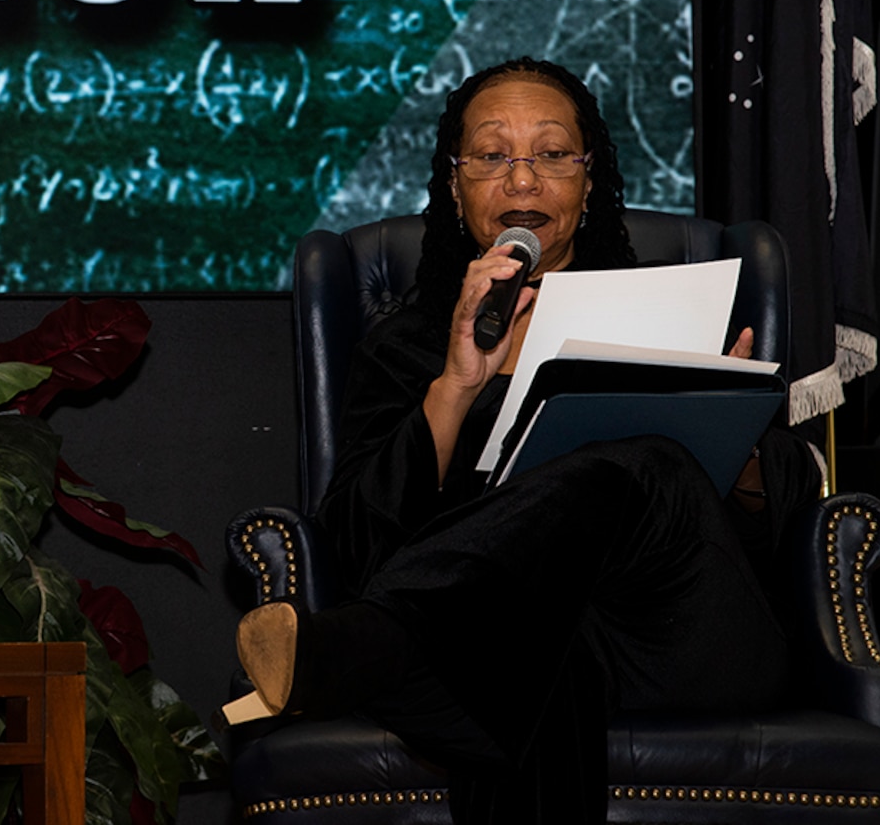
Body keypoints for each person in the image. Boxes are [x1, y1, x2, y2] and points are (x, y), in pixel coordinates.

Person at [224, 57, 823, 823]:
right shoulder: (411, 343)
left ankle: (368, 648)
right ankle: (400, 647)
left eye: (551, 154)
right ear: (454, 183)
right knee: (530, 648)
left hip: (682, 633)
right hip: (518, 644)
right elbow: (356, 541)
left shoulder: (677, 314)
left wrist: (723, 417)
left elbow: (794, 504)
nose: (523, 181)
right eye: (492, 156)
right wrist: (459, 383)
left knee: (650, 463)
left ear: (588, 177)